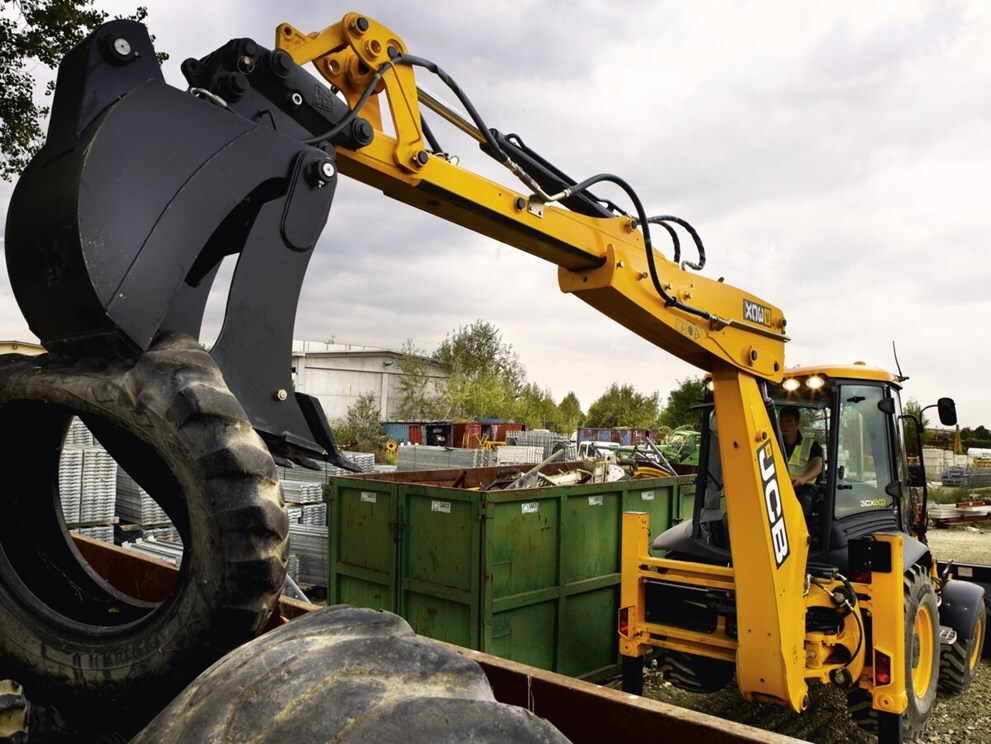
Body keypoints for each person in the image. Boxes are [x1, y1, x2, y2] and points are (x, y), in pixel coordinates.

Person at [778, 405, 823, 519]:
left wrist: (803, 479)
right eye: (782, 422)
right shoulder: (774, 443)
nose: (785, 425)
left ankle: (804, 531)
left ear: (797, 423)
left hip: (804, 486)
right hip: (778, 486)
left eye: (789, 421)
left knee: (804, 501)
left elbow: (817, 466)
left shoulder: (811, 444)